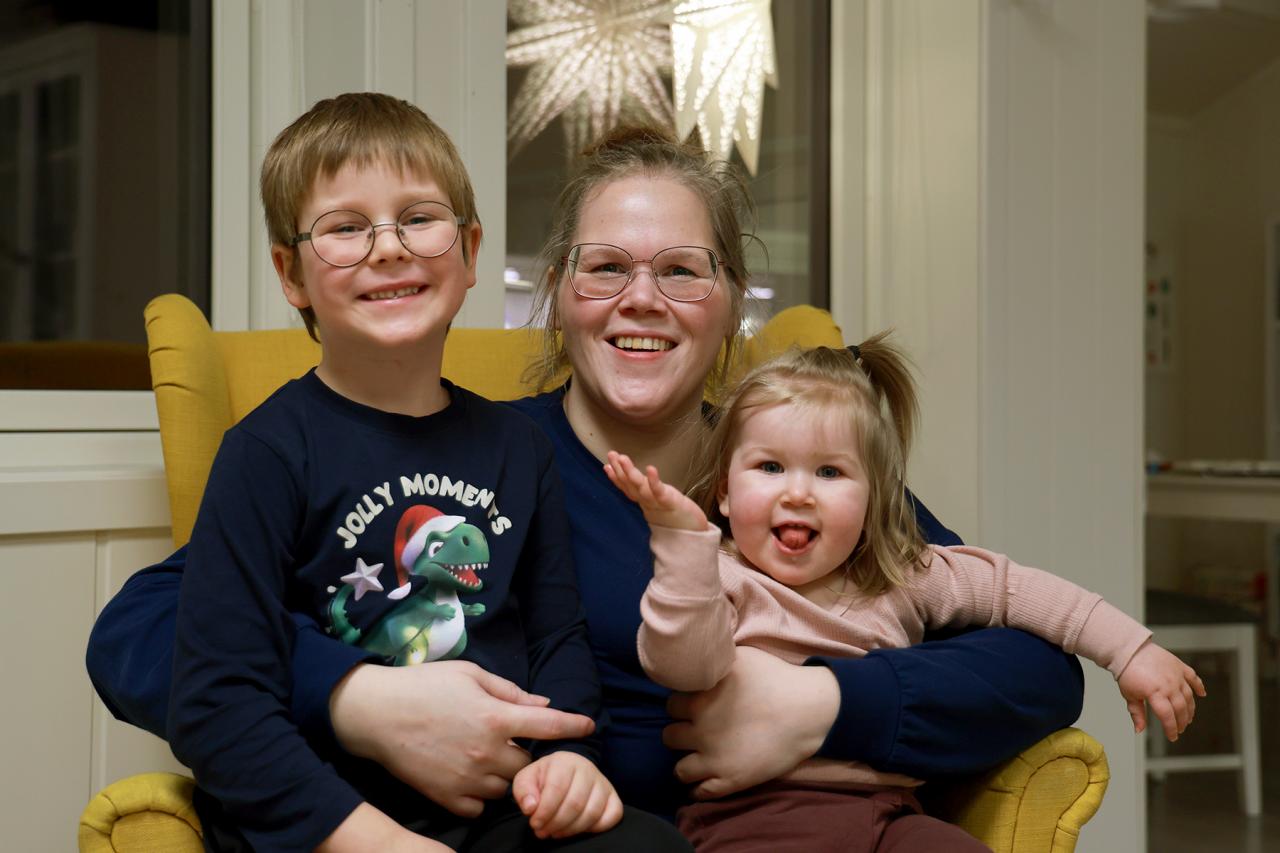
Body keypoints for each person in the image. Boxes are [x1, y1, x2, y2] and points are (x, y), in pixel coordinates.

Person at [88, 123, 1112, 840]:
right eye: (605, 267)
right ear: (557, 295)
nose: (641, 300)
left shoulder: (800, 478)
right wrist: (362, 697)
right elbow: (144, 627)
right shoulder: (484, 464)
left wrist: (821, 703)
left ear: (730, 302)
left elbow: (1037, 666)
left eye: (682, 269)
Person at [165, 93, 688, 853]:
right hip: (329, 815)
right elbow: (217, 699)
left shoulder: (519, 448)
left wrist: (573, 755)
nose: (388, 248)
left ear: (470, 251)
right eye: (345, 227)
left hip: (502, 807)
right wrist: (371, 840)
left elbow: (557, 638)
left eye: (418, 218)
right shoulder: (266, 452)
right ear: (291, 272)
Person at [605, 341, 1206, 852]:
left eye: (829, 473)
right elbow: (682, 664)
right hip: (755, 822)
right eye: (769, 467)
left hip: (891, 816)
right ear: (725, 492)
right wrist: (684, 550)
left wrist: (1128, 650)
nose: (798, 493)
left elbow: (1015, 590)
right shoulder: (720, 577)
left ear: (873, 499)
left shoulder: (899, 575)